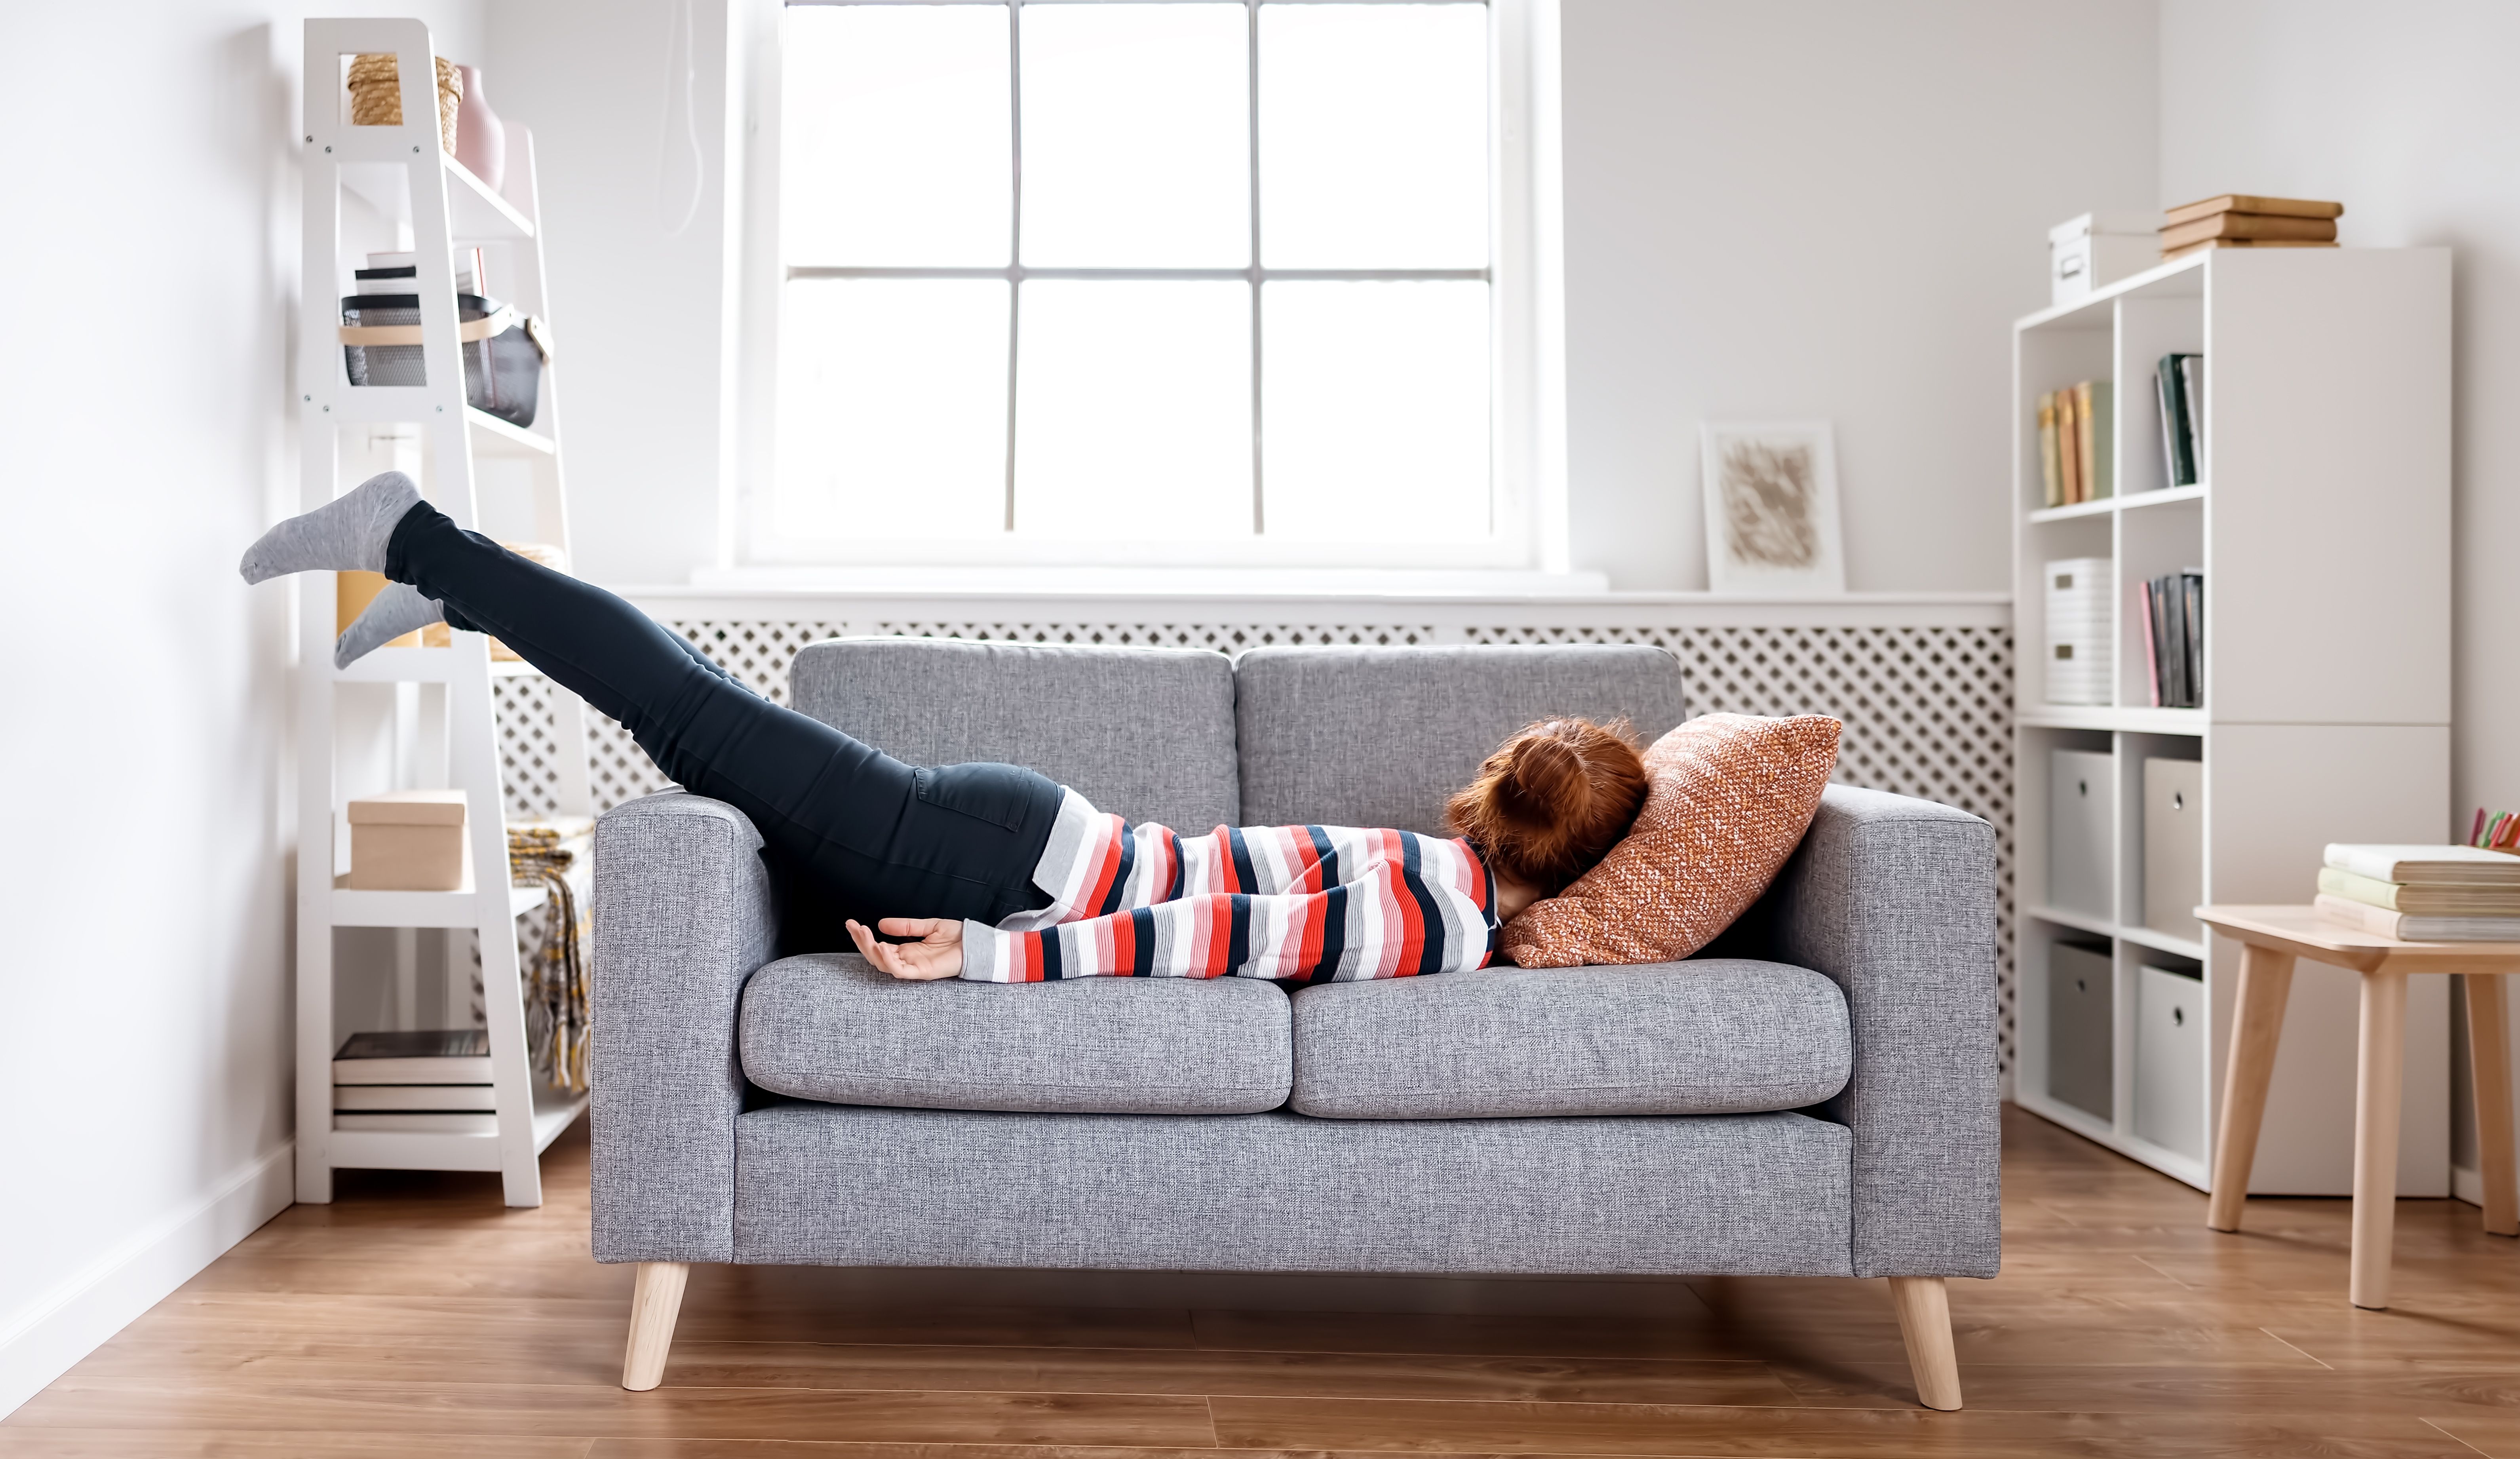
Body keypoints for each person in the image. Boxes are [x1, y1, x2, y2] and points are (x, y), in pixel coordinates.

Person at [239, 474, 1649, 983]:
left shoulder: (1429, 869)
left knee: (702, 742)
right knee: (685, 716)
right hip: (998, 867)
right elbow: (1201, 941)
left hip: (1020, 836)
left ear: (1498, 791)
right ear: (1589, 868)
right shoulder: (1449, 926)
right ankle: (412, 533)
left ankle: (465, 603)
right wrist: (984, 960)